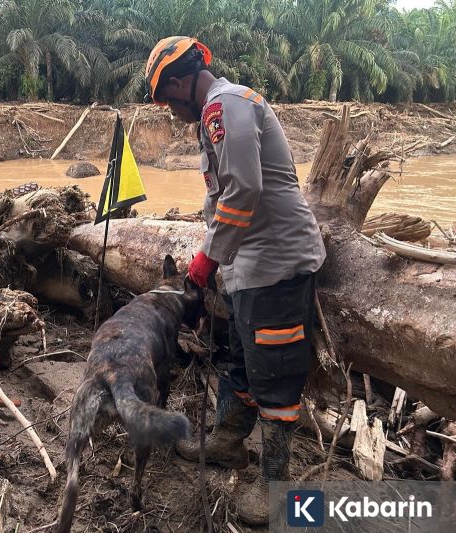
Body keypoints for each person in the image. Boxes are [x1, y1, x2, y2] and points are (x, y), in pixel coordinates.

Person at [144, 36, 326, 525]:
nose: (168, 110)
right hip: (249, 265)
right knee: (243, 360)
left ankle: (280, 497)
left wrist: (206, 261)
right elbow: (222, 198)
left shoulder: (228, 107)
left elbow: (244, 190)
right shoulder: (212, 117)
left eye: (165, 100)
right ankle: (229, 442)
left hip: (278, 266)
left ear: (181, 84)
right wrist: (218, 263)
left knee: (278, 379)